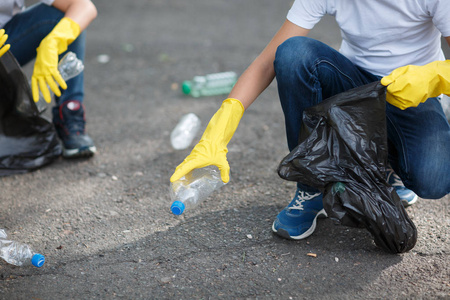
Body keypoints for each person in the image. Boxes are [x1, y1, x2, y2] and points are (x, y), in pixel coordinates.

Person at [170, 0, 450, 241]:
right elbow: (267, 62)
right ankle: (311, 187)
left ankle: (385, 164)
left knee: (434, 179)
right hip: (353, 86)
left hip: (415, 92)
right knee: (294, 54)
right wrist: (218, 132)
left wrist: (433, 76)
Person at [1, 0, 97, 158]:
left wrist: (54, 41)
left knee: (63, 18)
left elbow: (83, 6)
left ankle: (70, 113)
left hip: (5, 41)